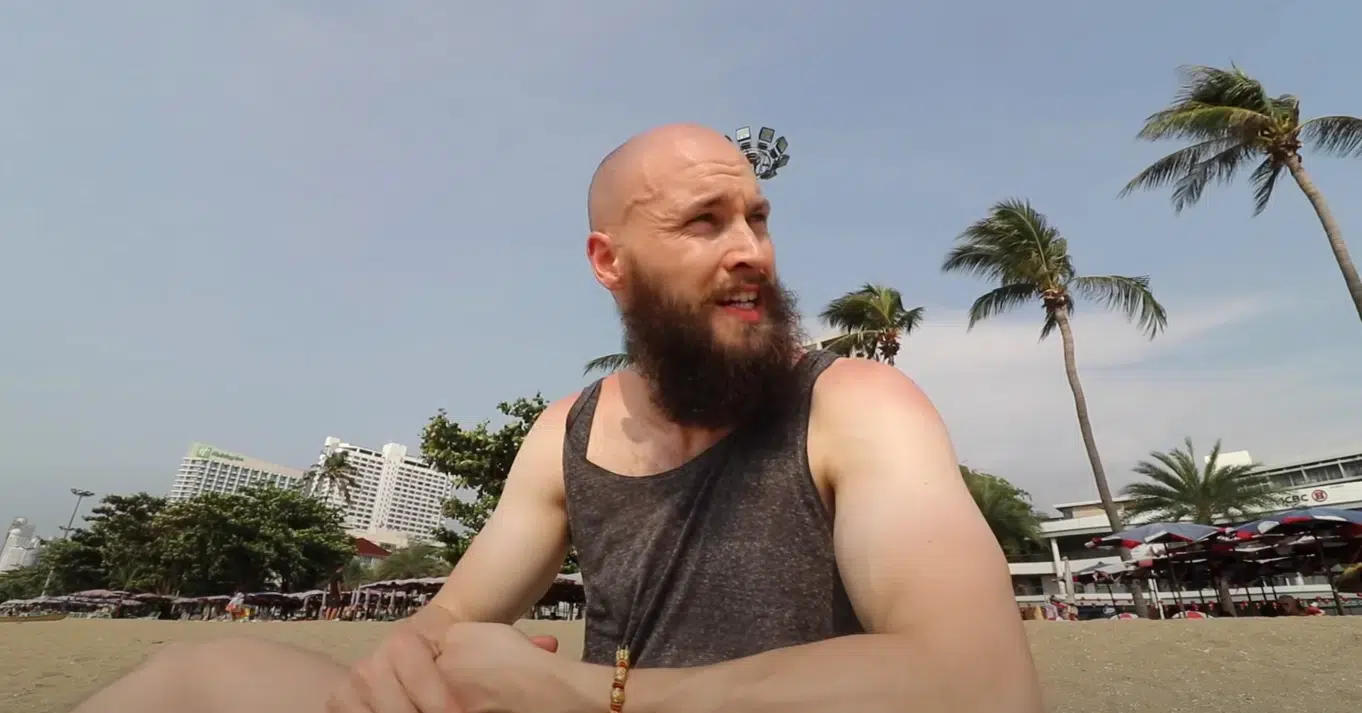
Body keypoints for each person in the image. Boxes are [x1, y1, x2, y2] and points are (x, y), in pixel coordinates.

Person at [72, 123, 1042, 713]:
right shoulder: (564, 434)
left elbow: (980, 684)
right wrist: (413, 669)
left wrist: (594, 693)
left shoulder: (854, 406)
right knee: (192, 674)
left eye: (758, 216)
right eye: (705, 221)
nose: (752, 249)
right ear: (607, 261)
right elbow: (448, 618)